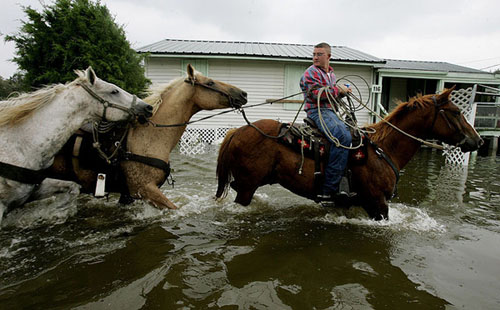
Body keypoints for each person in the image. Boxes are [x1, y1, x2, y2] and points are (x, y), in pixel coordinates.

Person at [299, 42, 352, 201]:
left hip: (330, 111)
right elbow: (316, 94)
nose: (315, 57)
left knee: (355, 133)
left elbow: (330, 95)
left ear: (328, 56)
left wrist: (342, 93)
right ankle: (329, 189)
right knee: (342, 138)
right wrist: (339, 89)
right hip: (317, 111)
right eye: (314, 54)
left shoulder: (331, 74)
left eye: (319, 54)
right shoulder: (311, 73)